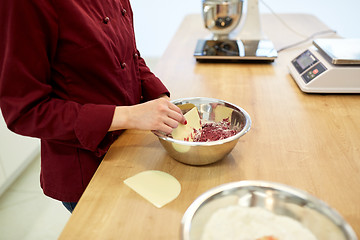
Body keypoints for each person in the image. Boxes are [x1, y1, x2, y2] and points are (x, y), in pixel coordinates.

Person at [0, 0, 186, 213]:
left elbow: (128, 55)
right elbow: (25, 112)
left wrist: (160, 98)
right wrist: (129, 115)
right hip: (86, 169)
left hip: (130, 148)